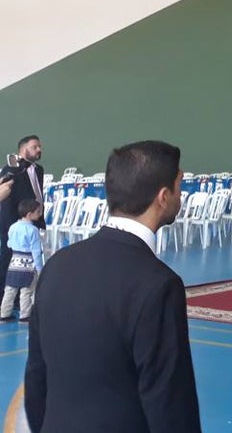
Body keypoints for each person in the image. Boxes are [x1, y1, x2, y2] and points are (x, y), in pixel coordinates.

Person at [24, 140, 201, 433]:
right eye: (178, 186)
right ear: (163, 196)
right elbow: (169, 405)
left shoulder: (57, 266)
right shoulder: (158, 285)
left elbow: (36, 380)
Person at [0, 134, 44, 278]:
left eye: (40, 147)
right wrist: (12, 225)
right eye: (35, 147)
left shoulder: (39, 169)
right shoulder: (11, 169)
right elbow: (6, 197)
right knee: (9, 259)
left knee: (32, 256)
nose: (39, 150)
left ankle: (27, 291)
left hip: (34, 217)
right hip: (14, 223)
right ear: (24, 150)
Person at [0, 199, 43, 321]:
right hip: (28, 264)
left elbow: (8, 244)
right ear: (29, 214)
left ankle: (4, 313)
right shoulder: (33, 230)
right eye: (38, 212)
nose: (40, 214)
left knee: (10, 289)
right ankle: (25, 315)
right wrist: (40, 269)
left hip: (14, 262)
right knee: (26, 291)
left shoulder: (13, 227)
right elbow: (36, 251)